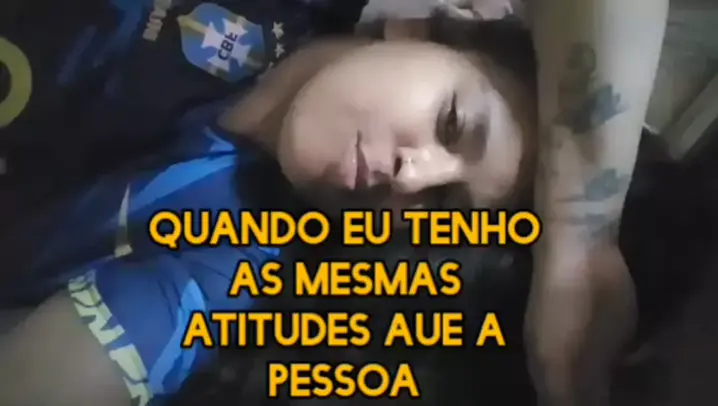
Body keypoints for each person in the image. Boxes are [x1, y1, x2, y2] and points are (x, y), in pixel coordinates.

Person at [0, 8, 540, 406]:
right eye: (451, 123)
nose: (412, 178)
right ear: (420, 29)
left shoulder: (230, 263)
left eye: (442, 207)